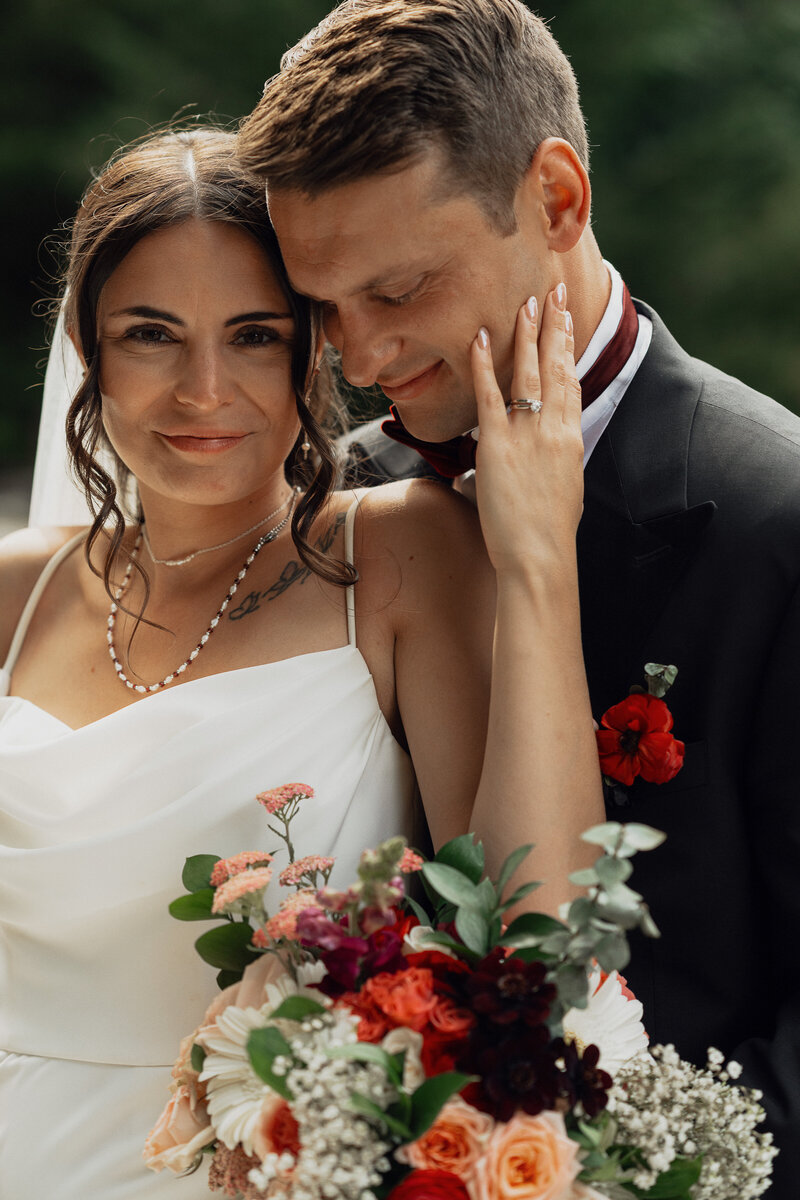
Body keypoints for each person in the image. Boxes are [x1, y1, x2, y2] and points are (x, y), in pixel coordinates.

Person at [236, 1, 800, 1193]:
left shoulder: (776, 524)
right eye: (321, 306)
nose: (359, 358)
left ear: (554, 200)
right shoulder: (336, 517)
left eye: (398, 290)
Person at [0, 126, 603, 1196]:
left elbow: (532, 925)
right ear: (88, 349)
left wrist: (536, 561)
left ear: (312, 349)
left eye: (253, 336)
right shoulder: (16, 589)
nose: (203, 390)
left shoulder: (402, 554)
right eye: (150, 334)